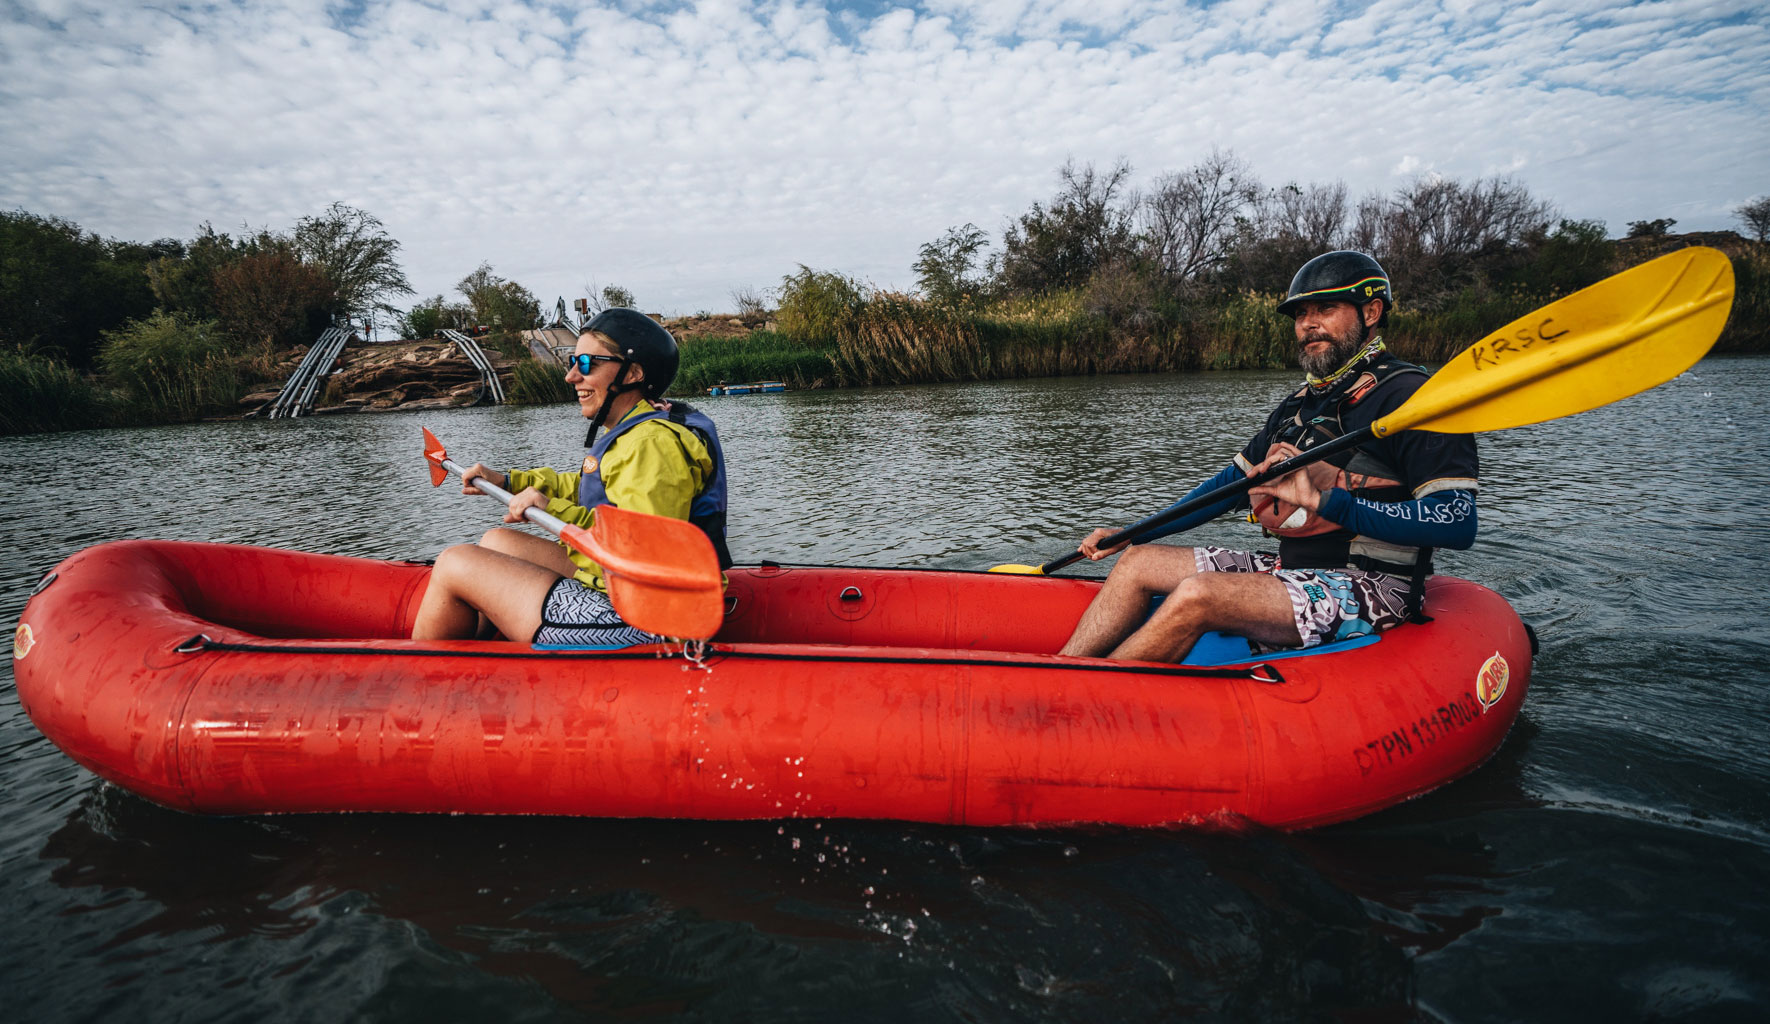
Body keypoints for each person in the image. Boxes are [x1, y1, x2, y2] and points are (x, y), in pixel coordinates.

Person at [1057, 251, 1479, 663]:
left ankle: (1085, 696)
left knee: (1199, 593)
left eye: (1326, 308)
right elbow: (1229, 487)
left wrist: (1329, 502)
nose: (1309, 325)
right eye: (1300, 314)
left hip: (1375, 585)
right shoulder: (1299, 404)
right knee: (1136, 563)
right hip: (1288, 565)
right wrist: (1135, 532)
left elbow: (1458, 521)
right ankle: (1058, 672)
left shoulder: (1416, 399)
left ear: (1371, 312)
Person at [411, 308, 731, 645]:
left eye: (588, 364)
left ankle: (421, 676)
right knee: (497, 540)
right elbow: (588, 488)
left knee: (453, 562)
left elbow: (640, 550)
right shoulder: (638, 429)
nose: (572, 376)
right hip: (624, 589)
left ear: (634, 373)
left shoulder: (651, 444)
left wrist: (553, 509)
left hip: (650, 617)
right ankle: (481, 655)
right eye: (572, 362)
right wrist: (509, 481)